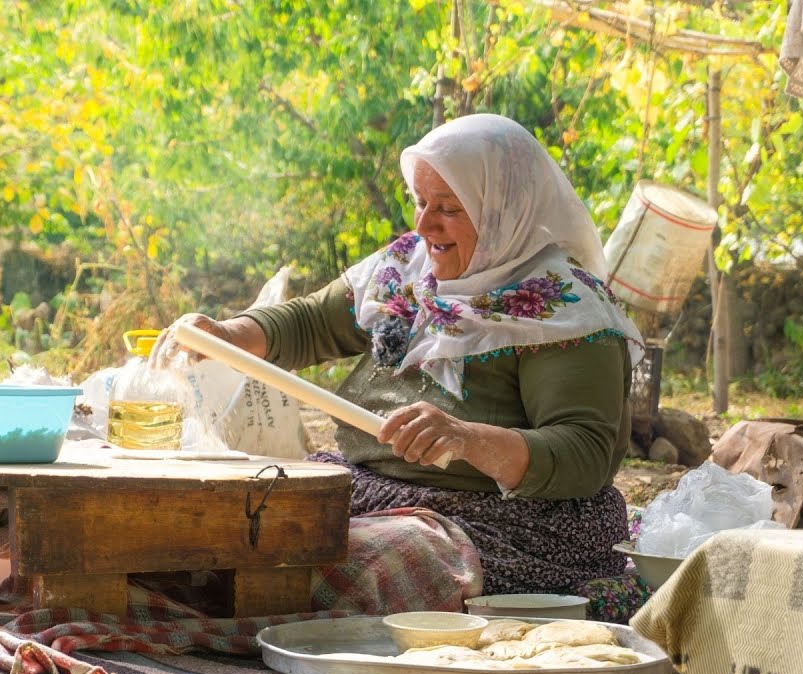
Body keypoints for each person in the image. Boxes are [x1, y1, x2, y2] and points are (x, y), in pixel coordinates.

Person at [153, 114, 646, 614]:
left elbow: (584, 454)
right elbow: (310, 323)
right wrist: (225, 334)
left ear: (503, 210)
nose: (424, 225)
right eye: (420, 202)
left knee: (345, 563)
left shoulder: (563, 307)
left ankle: (209, 618)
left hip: (505, 524)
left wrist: (466, 437)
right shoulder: (407, 266)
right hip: (367, 490)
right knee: (233, 525)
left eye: (449, 208)